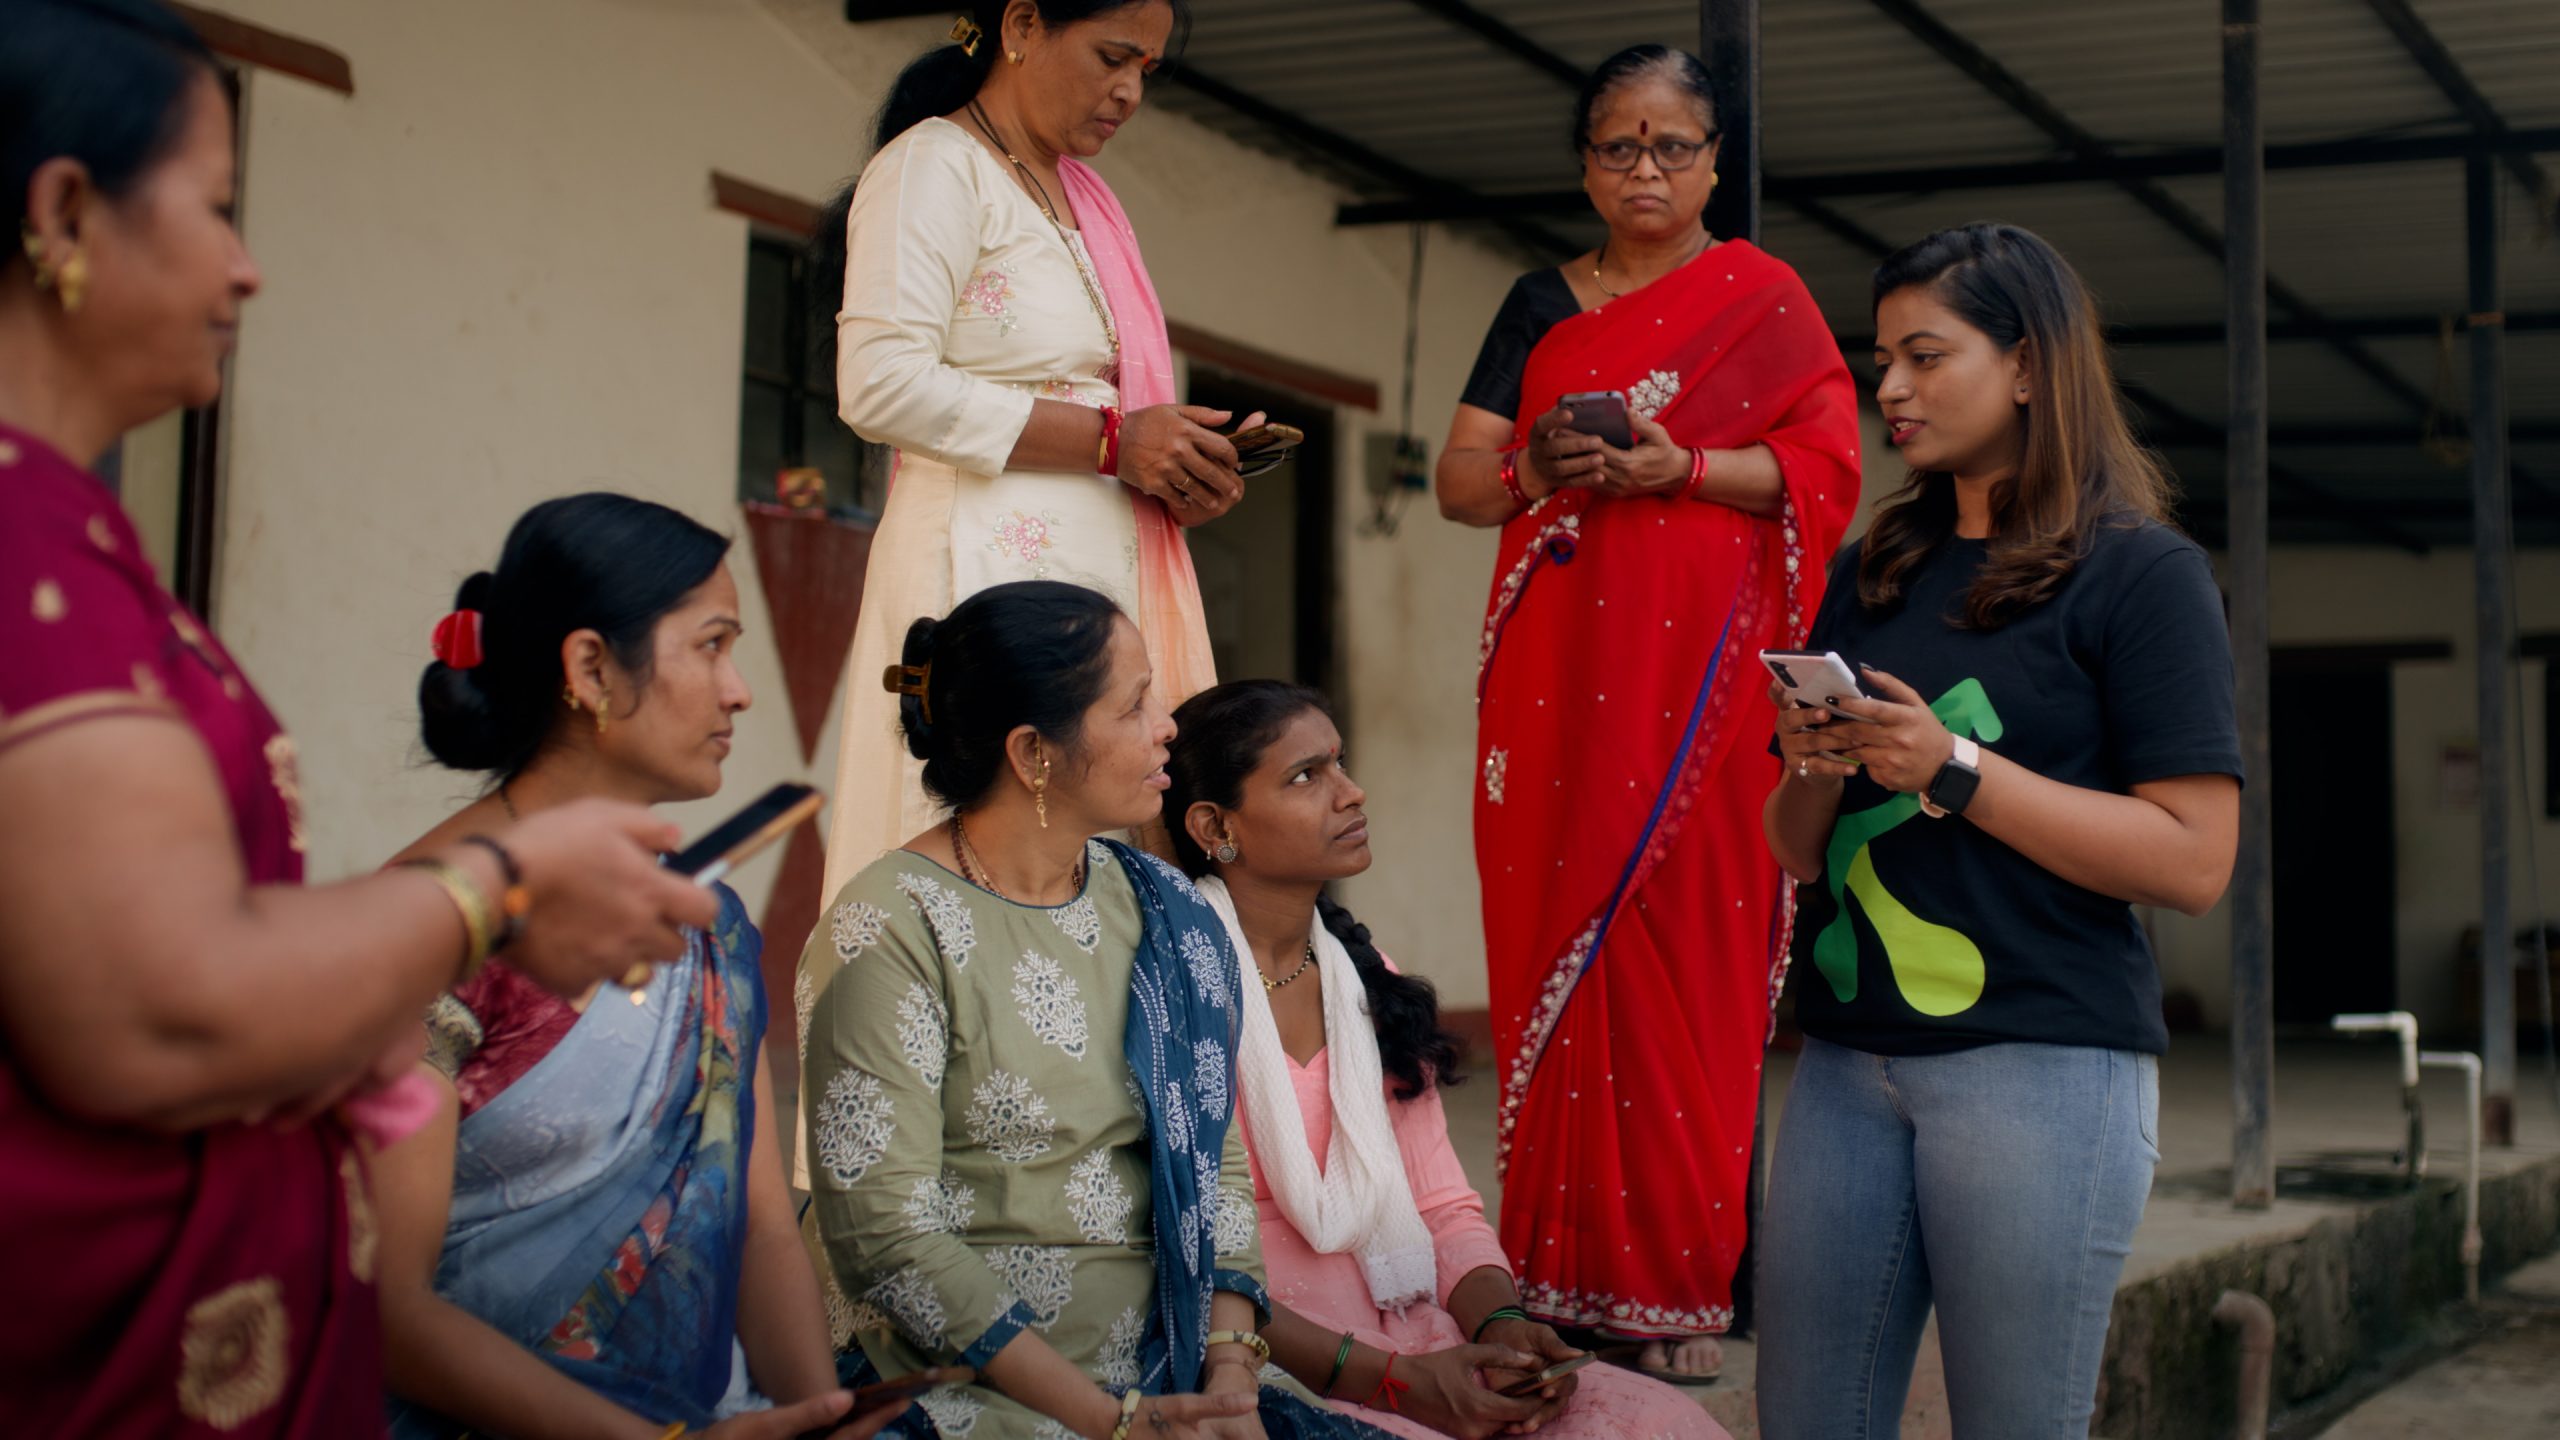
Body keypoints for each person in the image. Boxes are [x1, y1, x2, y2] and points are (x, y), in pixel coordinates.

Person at [0, 3, 716, 1433]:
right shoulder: (23, 552)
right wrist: (495, 893)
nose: (248, 268)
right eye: (217, 210)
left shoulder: (82, 547)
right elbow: (163, 1009)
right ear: (68, 210)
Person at [1755, 222, 2240, 1438]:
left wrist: (1957, 767)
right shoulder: (1877, 564)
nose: (1891, 389)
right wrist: (1815, 768)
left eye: (1927, 355)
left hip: (2038, 1063)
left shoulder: (2142, 574)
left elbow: (2193, 859)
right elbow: (1796, 849)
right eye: (1884, 360)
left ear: (2029, 365)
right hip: (1845, 1063)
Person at [1431, 44, 1861, 1383]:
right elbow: (1458, 481)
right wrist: (1533, 461)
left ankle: (1676, 1295)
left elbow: (1828, 465)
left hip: (1702, 709)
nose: (1647, 170)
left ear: (1715, 163)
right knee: (1564, 944)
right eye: (1620, 145)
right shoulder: (1537, 305)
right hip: (1561, 692)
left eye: (1674, 145)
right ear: (1584, 164)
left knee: (1687, 960)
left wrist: (1681, 467)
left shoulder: (1766, 299)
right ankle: (1558, 1276)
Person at [798, 581, 1393, 1440]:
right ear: (1034, 753)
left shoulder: (1164, 908)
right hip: (968, 1392)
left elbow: (1214, 1164)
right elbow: (887, 1240)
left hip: (1174, 1369)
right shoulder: (888, 928)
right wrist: (1114, 1423)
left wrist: (1228, 1375)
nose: (1167, 726)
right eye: (1134, 704)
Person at [374, 495, 892, 1439]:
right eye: (711, 645)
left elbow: (762, 1225)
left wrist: (822, 1416)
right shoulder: (430, 924)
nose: (739, 690)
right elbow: (388, 1308)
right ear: (590, 668)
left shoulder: (708, 922)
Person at [1164, 680, 1727, 1440]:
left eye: (1340, 763)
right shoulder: (1176, 996)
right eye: (1306, 776)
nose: (1351, 792)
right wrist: (1400, 1386)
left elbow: (1440, 1208)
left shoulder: (1368, 983)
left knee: (1665, 1424)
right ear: (1214, 825)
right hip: (1275, 1369)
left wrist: (1499, 1323)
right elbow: (1187, 1262)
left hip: (1420, 1332)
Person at [815, 0, 1257, 904]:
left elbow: (1118, 425)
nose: (1129, 90)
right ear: (1021, 25)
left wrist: (1177, 471)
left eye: (1147, 68)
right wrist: (1113, 442)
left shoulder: (1083, 198)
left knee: (1098, 883)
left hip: (1099, 584)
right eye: (1111, 57)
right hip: (978, 575)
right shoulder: (933, 166)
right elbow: (879, 385)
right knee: (978, 854)